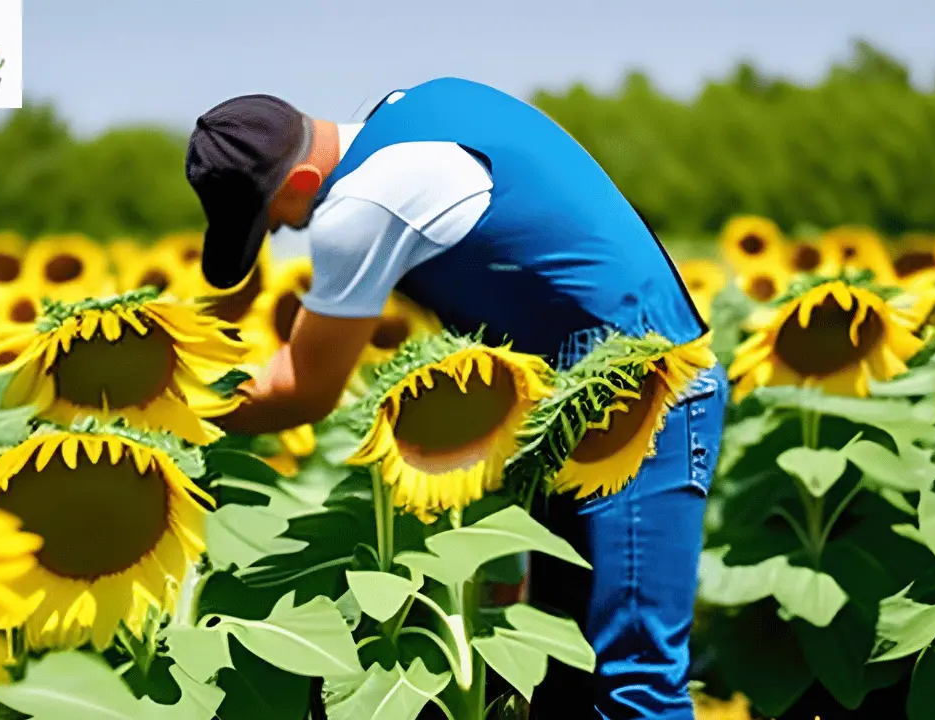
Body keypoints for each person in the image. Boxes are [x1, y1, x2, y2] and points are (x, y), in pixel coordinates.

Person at [184, 77, 729, 720]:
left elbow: (301, 391)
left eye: (268, 216)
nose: (278, 233)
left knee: (635, 682)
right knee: (566, 677)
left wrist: (170, 405)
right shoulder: (420, 107)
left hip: (645, 399)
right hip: (575, 406)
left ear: (302, 179)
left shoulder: (363, 204)